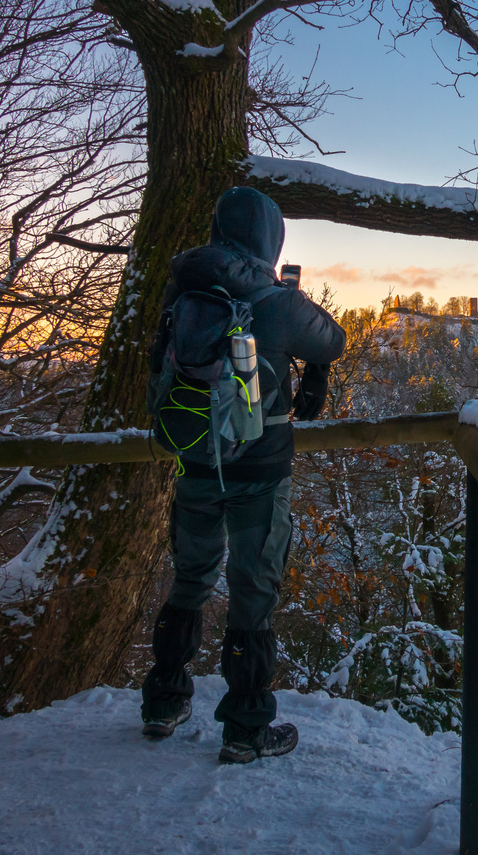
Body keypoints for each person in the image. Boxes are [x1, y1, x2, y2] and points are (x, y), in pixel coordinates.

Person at [139, 187, 345, 763]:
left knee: (189, 581)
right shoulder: (276, 300)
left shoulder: (183, 287)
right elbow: (334, 338)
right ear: (270, 239)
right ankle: (247, 727)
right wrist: (315, 370)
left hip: (195, 461)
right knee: (254, 595)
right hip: (259, 471)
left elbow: (159, 360)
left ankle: (163, 701)